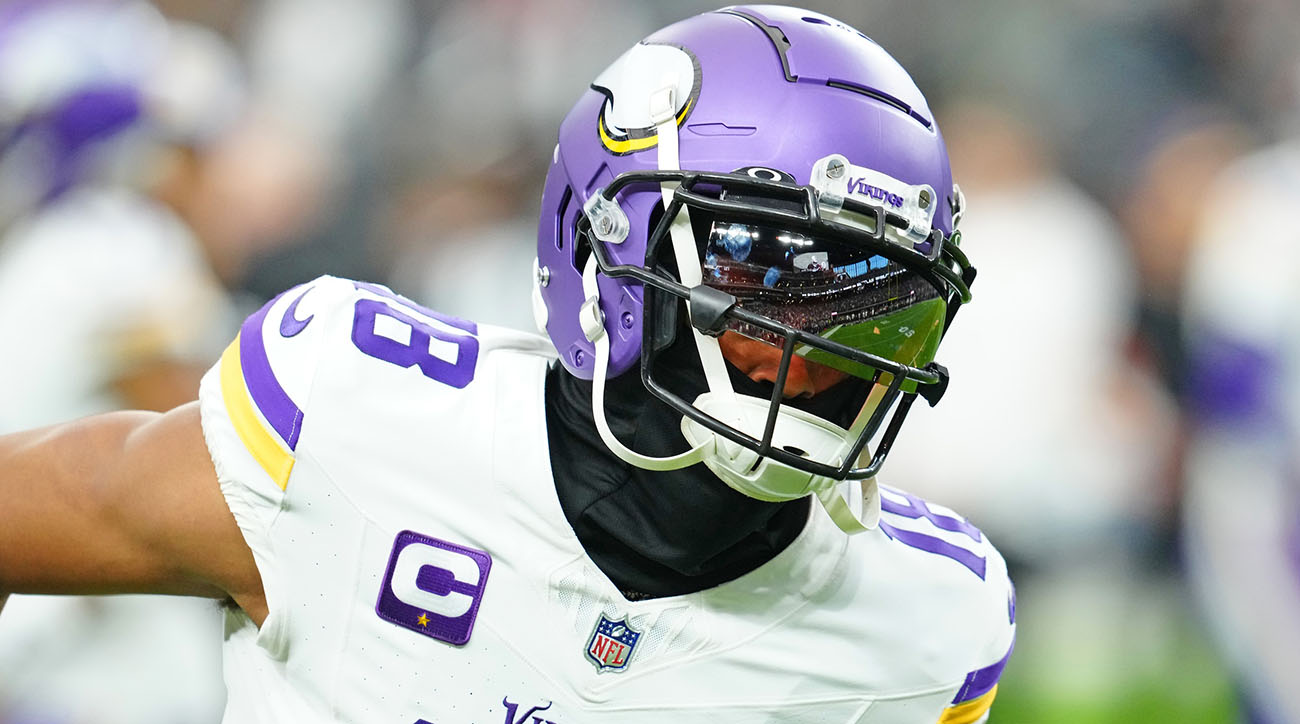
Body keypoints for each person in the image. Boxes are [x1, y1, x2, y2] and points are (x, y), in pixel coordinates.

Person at [0, 6, 1015, 723]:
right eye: (774, 281)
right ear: (613, 249)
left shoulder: (925, 625)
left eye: (877, 307)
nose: (817, 357)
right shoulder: (356, 416)